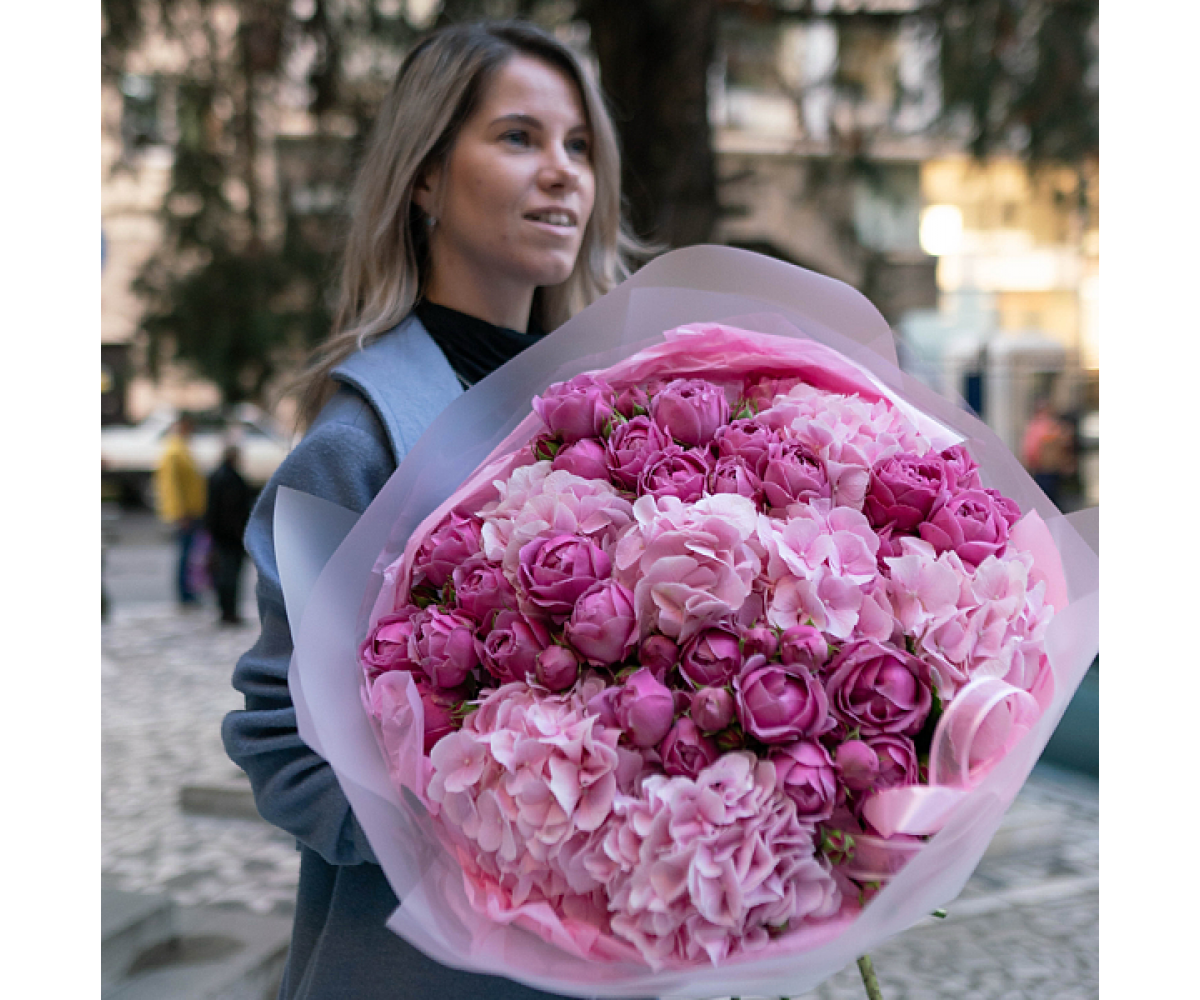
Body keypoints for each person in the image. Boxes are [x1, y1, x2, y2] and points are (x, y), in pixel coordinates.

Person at [221, 20, 647, 1000]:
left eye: (579, 146)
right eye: (518, 138)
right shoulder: (357, 441)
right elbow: (282, 744)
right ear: (423, 179)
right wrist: (498, 843)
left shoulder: (621, 416)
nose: (562, 174)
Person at [154, 413, 207, 607]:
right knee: (185, 554)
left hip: (192, 510)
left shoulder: (181, 449)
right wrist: (179, 513)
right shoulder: (174, 452)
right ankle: (185, 595)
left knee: (190, 553)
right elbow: (171, 487)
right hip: (185, 513)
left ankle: (189, 592)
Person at [205, 443, 254, 625]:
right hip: (231, 537)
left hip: (221, 535)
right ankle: (229, 612)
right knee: (230, 576)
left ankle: (226, 611)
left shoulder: (217, 477)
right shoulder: (232, 479)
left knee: (225, 575)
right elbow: (233, 511)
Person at [1021, 397, 1074, 509]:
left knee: (1046, 496)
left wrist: (1029, 463)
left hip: (1043, 467)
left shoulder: (1037, 426)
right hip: (1050, 467)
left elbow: (1030, 448)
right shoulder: (1052, 426)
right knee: (1051, 496)